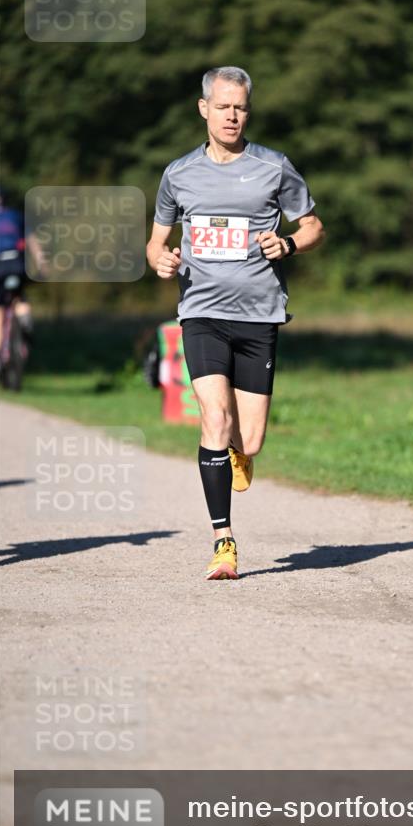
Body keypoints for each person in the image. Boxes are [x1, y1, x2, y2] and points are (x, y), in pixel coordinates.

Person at [146, 66, 325, 579]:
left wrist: (288, 243)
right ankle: (223, 541)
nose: (231, 115)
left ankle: (239, 456)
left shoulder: (274, 167)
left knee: (250, 439)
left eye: (240, 107)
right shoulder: (178, 174)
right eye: (222, 106)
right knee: (215, 420)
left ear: (249, 110)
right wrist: (160, 259)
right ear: (203, 108)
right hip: (201, 313)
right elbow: (156, 243)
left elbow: (313, 227)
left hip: (259, 315)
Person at [0, 186, 36, 377]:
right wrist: (43, 264)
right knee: (19, 298)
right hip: (18, 264)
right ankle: (25, 318)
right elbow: (32, 241)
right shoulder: (15, 215)